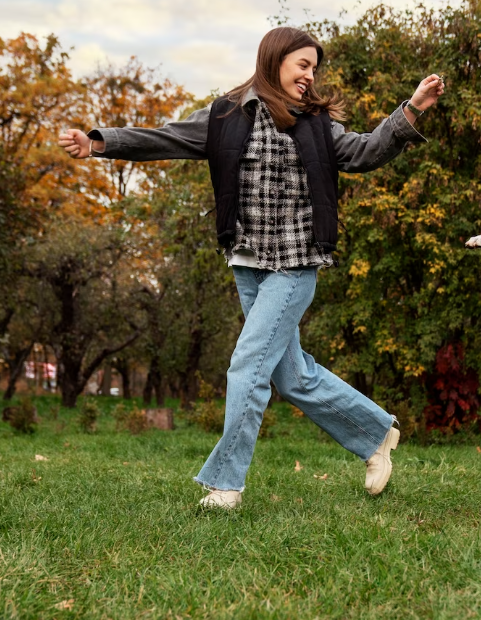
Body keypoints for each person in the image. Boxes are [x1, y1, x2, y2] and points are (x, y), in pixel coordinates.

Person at [59, 27, 445, 509]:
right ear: (275, 59)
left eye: (313, 68)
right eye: (302, 64)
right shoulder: (224, 115)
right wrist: (100, 143)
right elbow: (167, 137)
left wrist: (410, 109)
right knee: (291, 376)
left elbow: (366, 152)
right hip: (247, 261)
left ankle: (226, 484)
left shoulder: (317, 124)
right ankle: (375, 433)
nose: (310, 75)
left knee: (246, 367)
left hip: (297, 260)